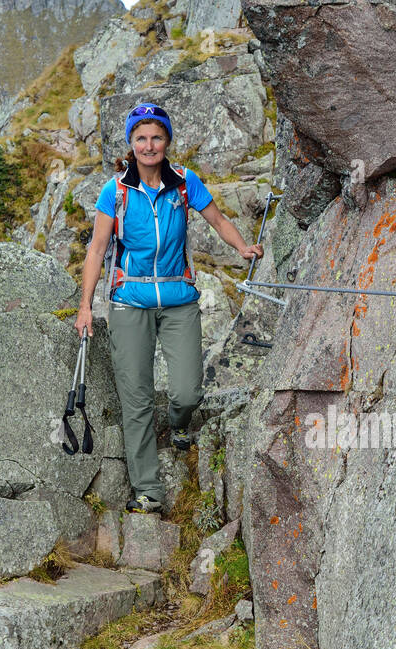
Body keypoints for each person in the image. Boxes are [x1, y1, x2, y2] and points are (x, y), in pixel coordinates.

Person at [75, 102, 263, 514]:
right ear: (131, 143)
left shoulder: (183, 182)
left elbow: (217, 219)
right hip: (129, 303)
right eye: (140, 138)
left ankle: (179, 425)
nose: (148, 145)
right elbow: (98, 249)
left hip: (179, 301)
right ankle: (148, 490)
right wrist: (86, 306)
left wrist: (242, 247)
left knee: (187, 390)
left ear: (167, 141)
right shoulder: (116, 191)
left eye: (156, 136)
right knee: (136, 399)